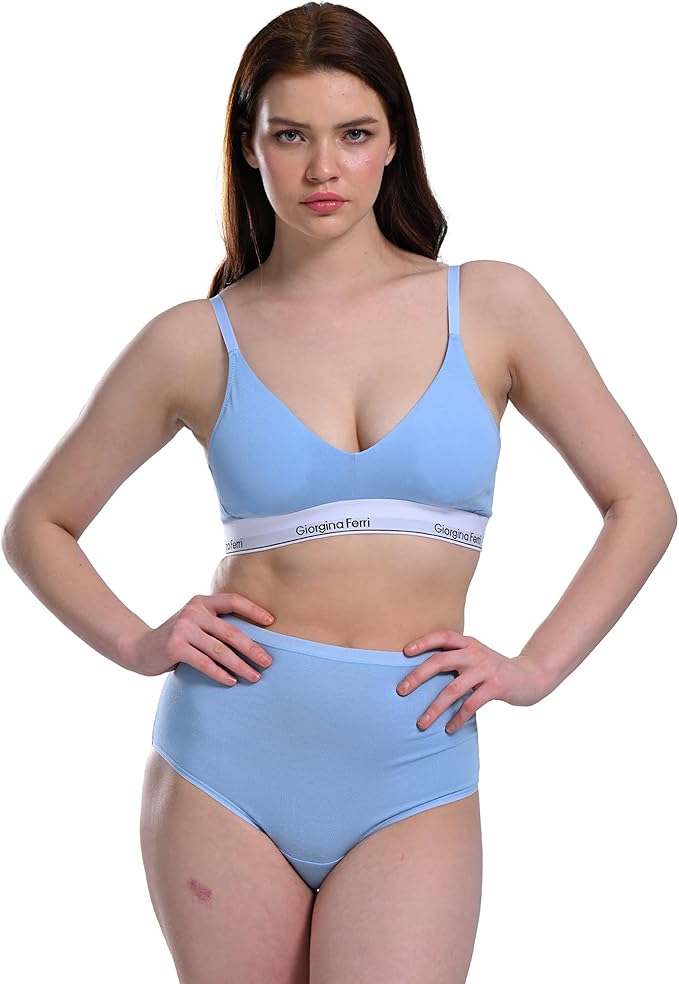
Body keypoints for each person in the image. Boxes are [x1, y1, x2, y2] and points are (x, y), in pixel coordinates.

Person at [3, 3, 676, 982]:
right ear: (249, 147)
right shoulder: (194, 340)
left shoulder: (493, 305)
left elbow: (641, 503)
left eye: (353, 134)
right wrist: (137, 641)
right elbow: (38, 523)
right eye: (291, 136)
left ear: (393, 140)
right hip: (228, 757)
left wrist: (536, 667)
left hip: (413, 761)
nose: (323, 168)